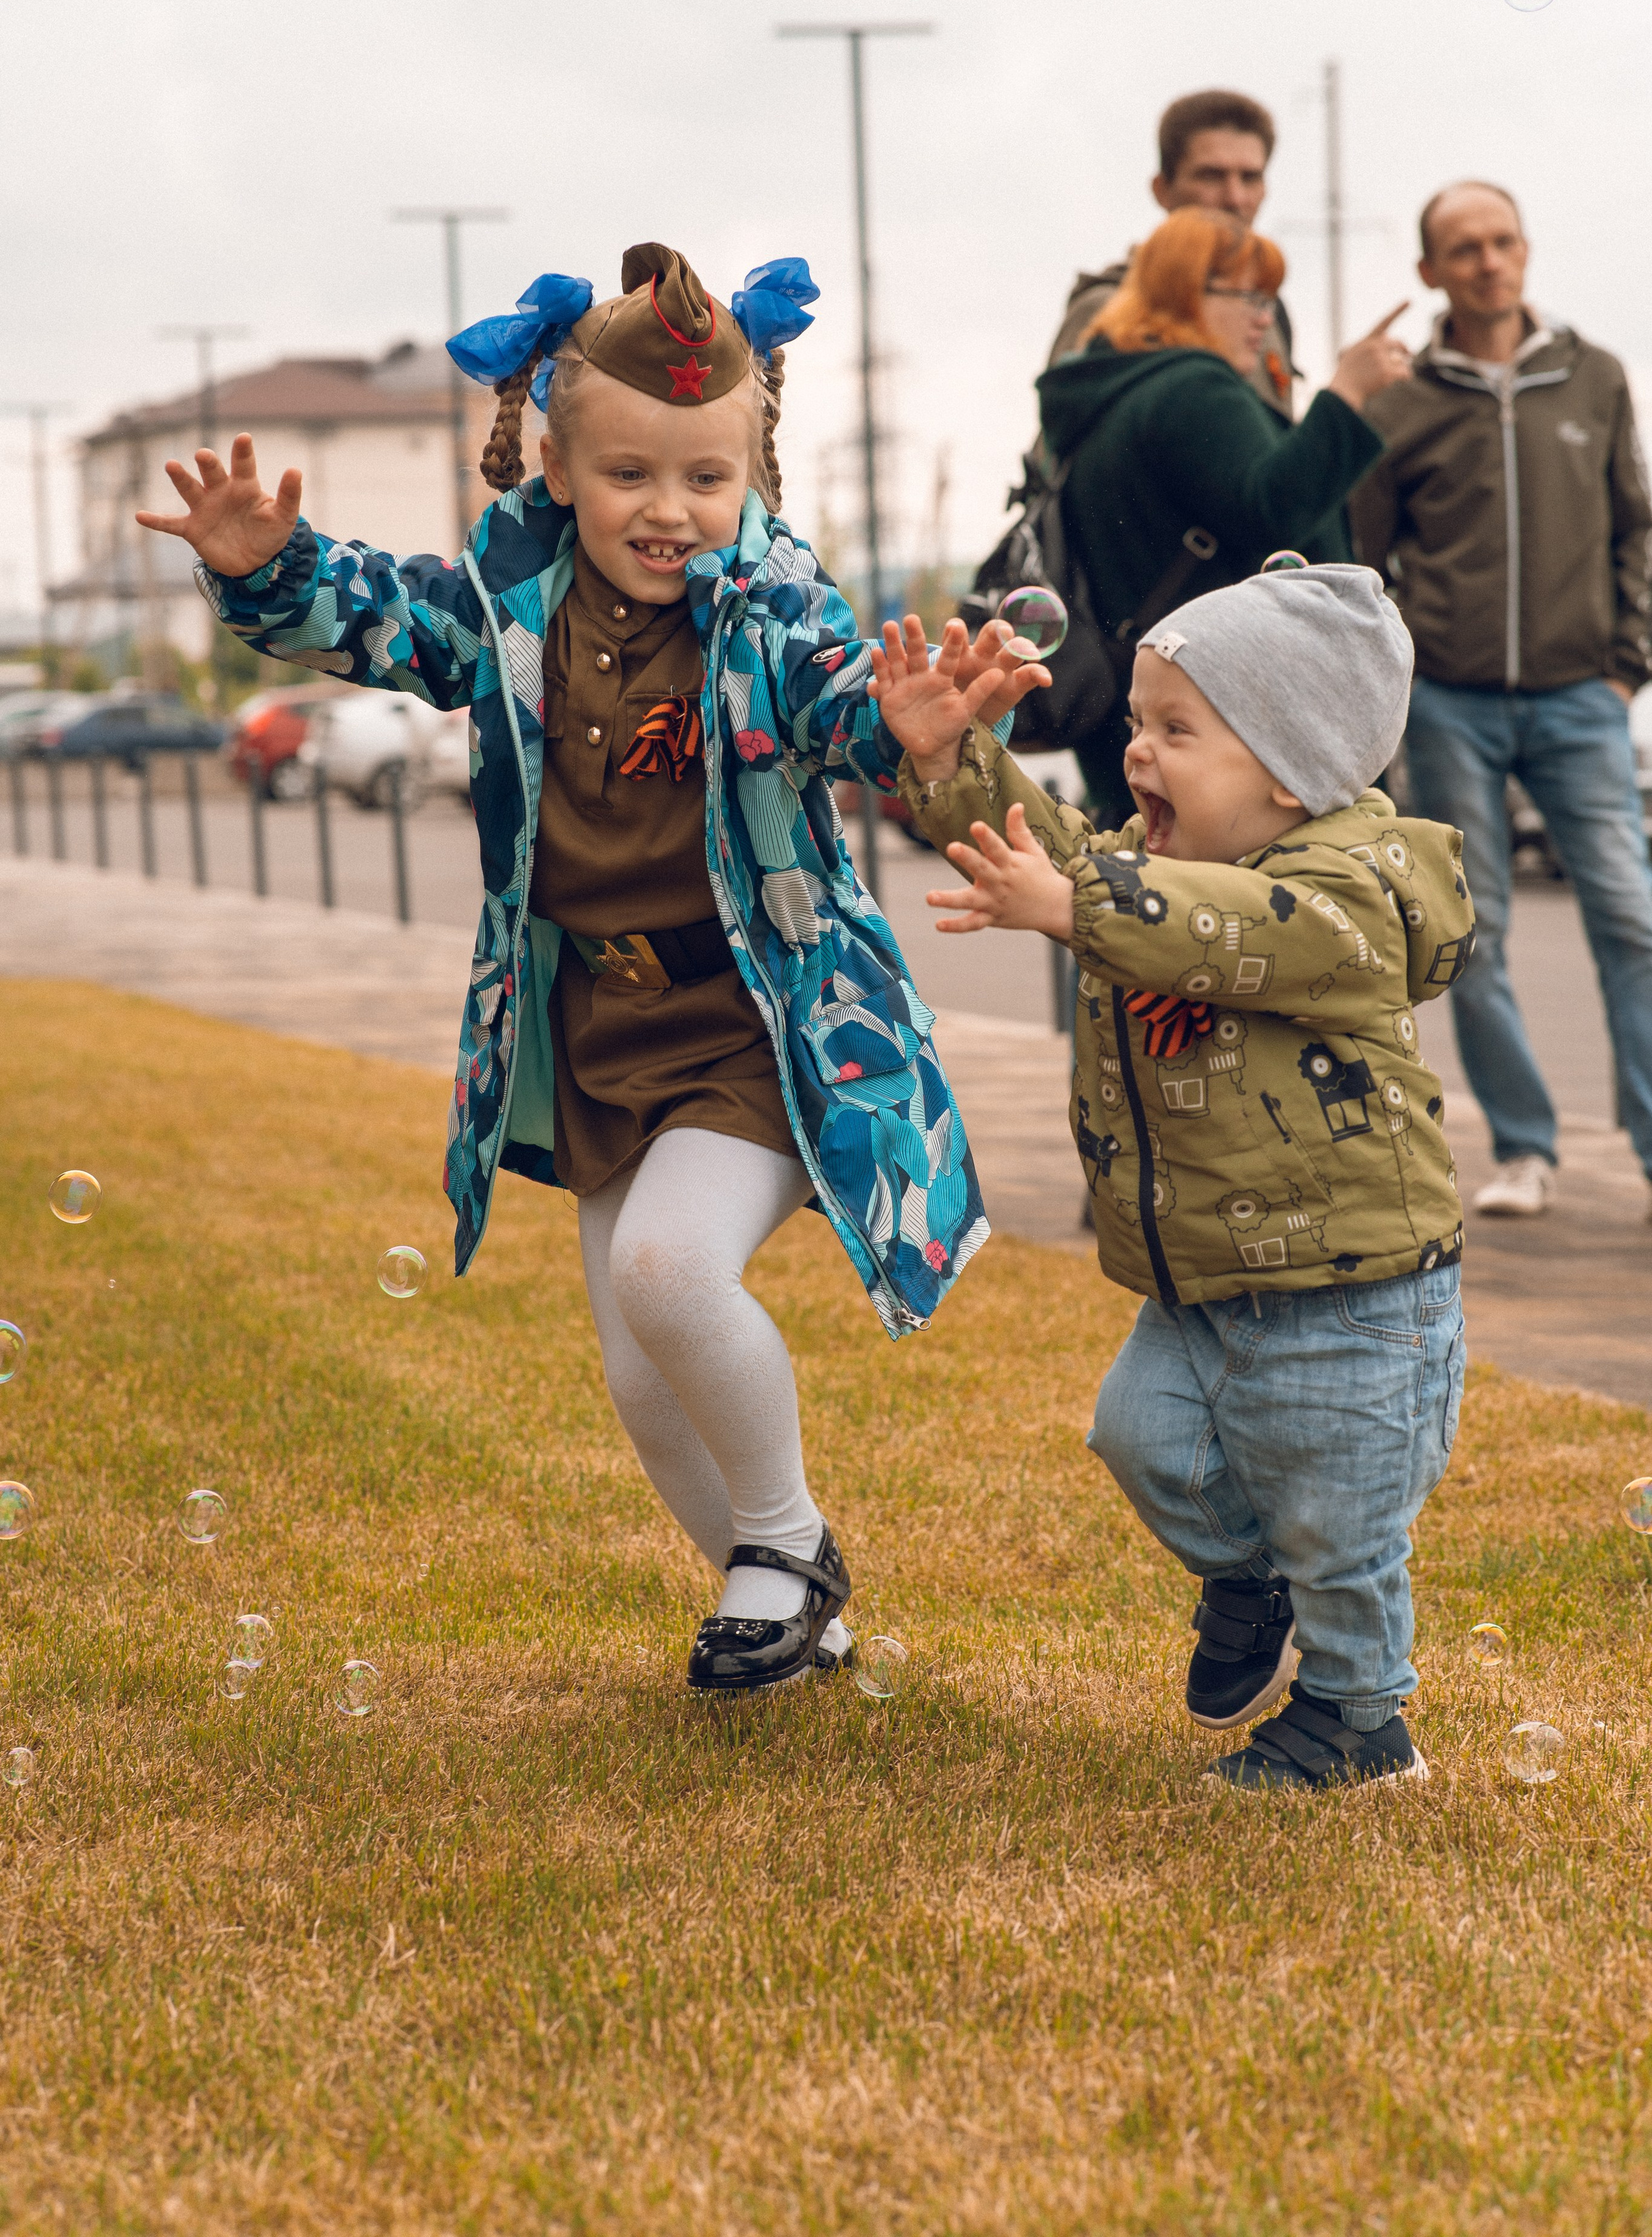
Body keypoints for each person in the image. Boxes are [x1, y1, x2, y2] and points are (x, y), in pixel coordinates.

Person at [136, 244, 1039, 1696]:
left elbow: (831, 711)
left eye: (703, 479)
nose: (668, 512)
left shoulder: (777, 607)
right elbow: (381, 620)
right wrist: (269, 572)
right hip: (593, 1021)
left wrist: (902, 730)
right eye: (628, 476)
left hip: (751, 1015)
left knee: (673, 1270)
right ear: (554, 465)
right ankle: (803, 1619)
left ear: (750, 474)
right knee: (637, 1370)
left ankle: (789, 1550)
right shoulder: (506, 598)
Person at [871, 565, 1473, 1791]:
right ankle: (1247, 1582)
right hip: (1201, 1280)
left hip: (1352, 1293)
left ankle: (1362, 1720)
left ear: (1289, 771)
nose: (1137, 753)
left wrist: (1078, 901)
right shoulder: (1148, 875)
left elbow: (1226, 927)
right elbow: (1071, 862)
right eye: (1138, 724)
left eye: (1177, 731)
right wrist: (950, 768)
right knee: (1138, 1438)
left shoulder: (1350, 894)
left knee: (1340, 1527)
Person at [1351, 182, 1652, 1219]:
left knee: (1632, 916)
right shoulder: (1404, 403)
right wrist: (1407, 684)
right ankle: (1525, 1149)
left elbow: (1637, 530)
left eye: (1503, 242)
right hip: (1451, 706)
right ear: (1431, 271)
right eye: (1464, 249)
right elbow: (1364, 560)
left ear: (1526, 250)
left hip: (1583, 699)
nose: (1489, 262)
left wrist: (1627, 666)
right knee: (1472, 935)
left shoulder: (1596, 378)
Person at [1040, 205, 1410, 821]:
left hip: (1155, 706)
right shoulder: (1193, 388)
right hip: (1237, 725)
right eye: (1248, 296)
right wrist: (1347, 393)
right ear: (1185, 291)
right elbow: (1275, 509)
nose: (1265, 319)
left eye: (1270, 299)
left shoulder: (1112, 390)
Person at [1048, 89, 1296, 417]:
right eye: (1211, 176)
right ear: (1162, 190)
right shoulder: (1113, 307)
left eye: (1250, 178)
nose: (1235, 198)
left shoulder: (1266, 311)